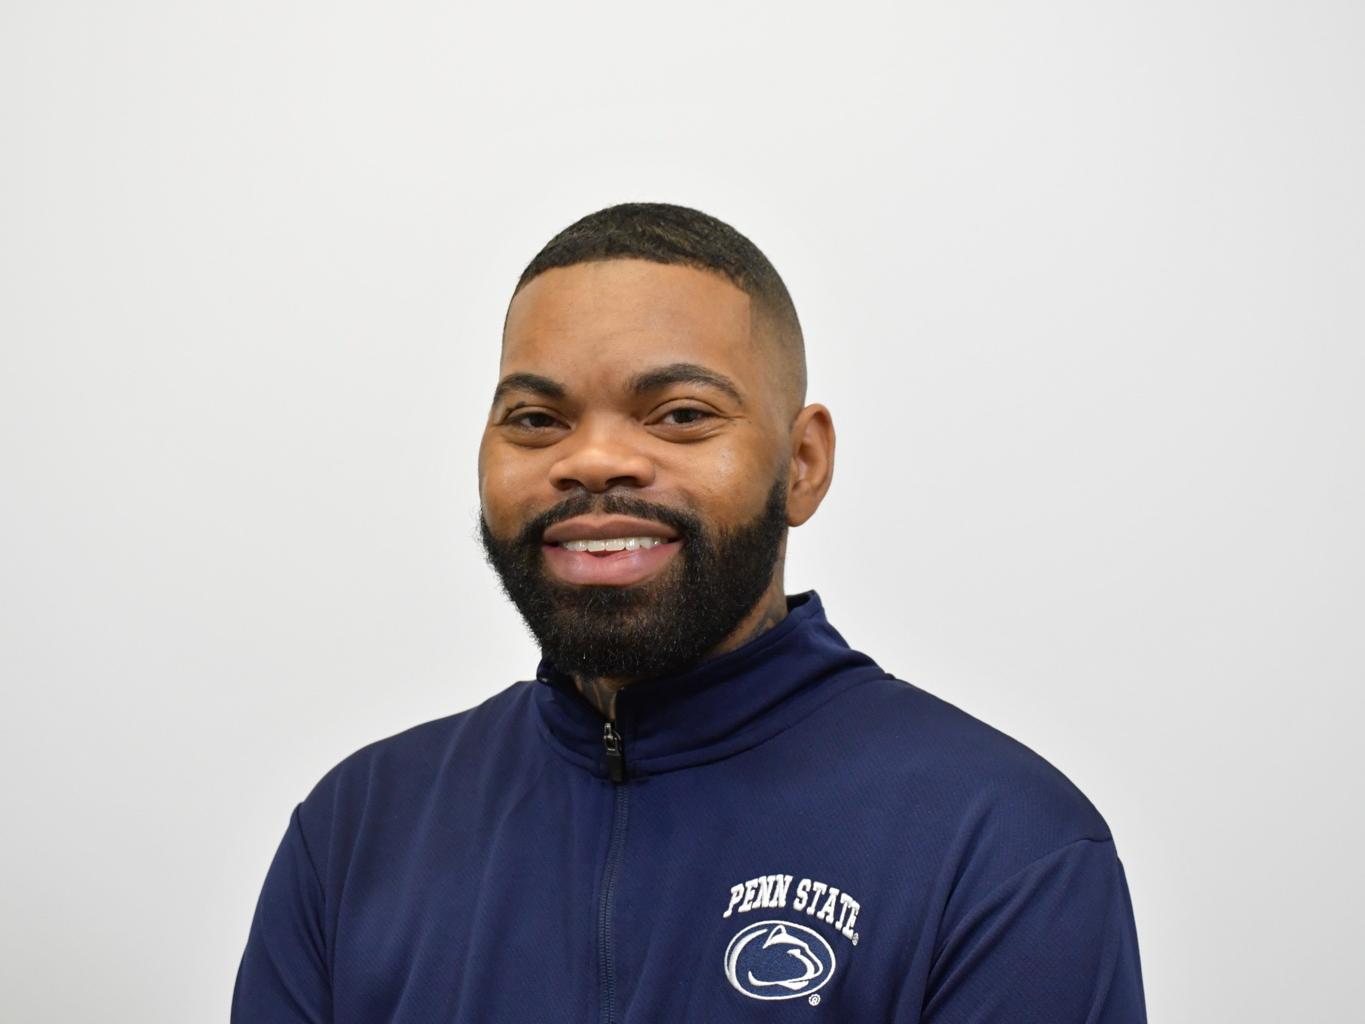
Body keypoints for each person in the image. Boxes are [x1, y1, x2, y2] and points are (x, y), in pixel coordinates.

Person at [232, 202, 1147, 1022]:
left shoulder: (1001, 846)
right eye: (536, 420)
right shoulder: (357, 830)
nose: (593, 460)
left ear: (800, 463)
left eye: (676, 415)